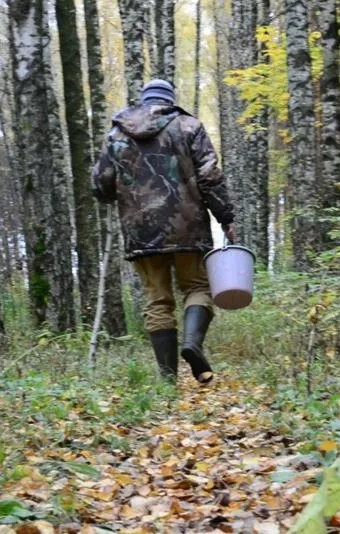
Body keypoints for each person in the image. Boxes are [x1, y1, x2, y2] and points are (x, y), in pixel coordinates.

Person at [91, 79, 236, 384]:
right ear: (170, 99)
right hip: (187, 226)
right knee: (197, 287)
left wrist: (118, 194)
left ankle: (168, 382)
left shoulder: (117, 134)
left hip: (141, 230)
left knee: (157, 300)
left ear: (144, 100)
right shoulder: (188, 126)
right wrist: (225, 216)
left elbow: (100, 183)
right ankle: (192, 344)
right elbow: (209, 175)